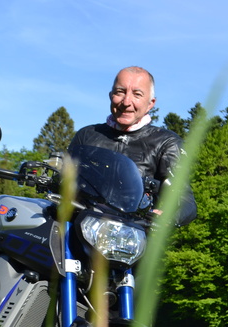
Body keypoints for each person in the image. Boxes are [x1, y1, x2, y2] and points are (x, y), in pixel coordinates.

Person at [68, 66, 197, 226]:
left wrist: (168, 217)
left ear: (151, 103)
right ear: (111, 96)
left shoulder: (166, 142)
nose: (126, 102)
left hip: (130, 237)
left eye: (137, 94)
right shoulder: (86, 135)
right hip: (78, 227)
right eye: (120, 92)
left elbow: (185, 200)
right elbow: (62, 180)